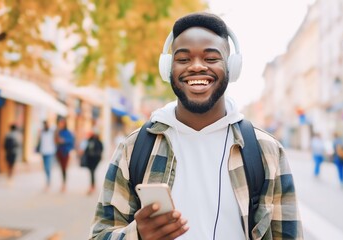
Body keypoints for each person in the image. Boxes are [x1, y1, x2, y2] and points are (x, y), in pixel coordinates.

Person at [90, 12, 303, 240]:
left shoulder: (266, 151)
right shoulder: (134, 148)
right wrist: (137, 235)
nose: (196, 67)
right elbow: (100, 234)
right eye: (183, 59)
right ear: (167, 69)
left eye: (211, 58)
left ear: (232, 67)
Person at [55, 118, 74, 193]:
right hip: (59, 152)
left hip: (65, 152)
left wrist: (64, 141)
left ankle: (64, 183)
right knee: (61, 168)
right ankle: (63, 183)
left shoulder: (68, 132)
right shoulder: (58, 132)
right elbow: (55, 141)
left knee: (64, 168)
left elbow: (71, 142)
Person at [37, 121, 56, 191]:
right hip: (43, 151)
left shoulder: (52, 131)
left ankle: (48, 181)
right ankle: (47, 181)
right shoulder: (42, 132)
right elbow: (40, 141)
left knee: (48, 167)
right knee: (45, 167)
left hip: (50, 152)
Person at [83, 131, 103, 195]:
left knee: (92, 172)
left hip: (93, 160)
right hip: (91, 160)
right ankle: (92, 186)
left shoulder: (94, 142)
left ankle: (92, 186)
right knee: (92, 173)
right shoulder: (91, 141)